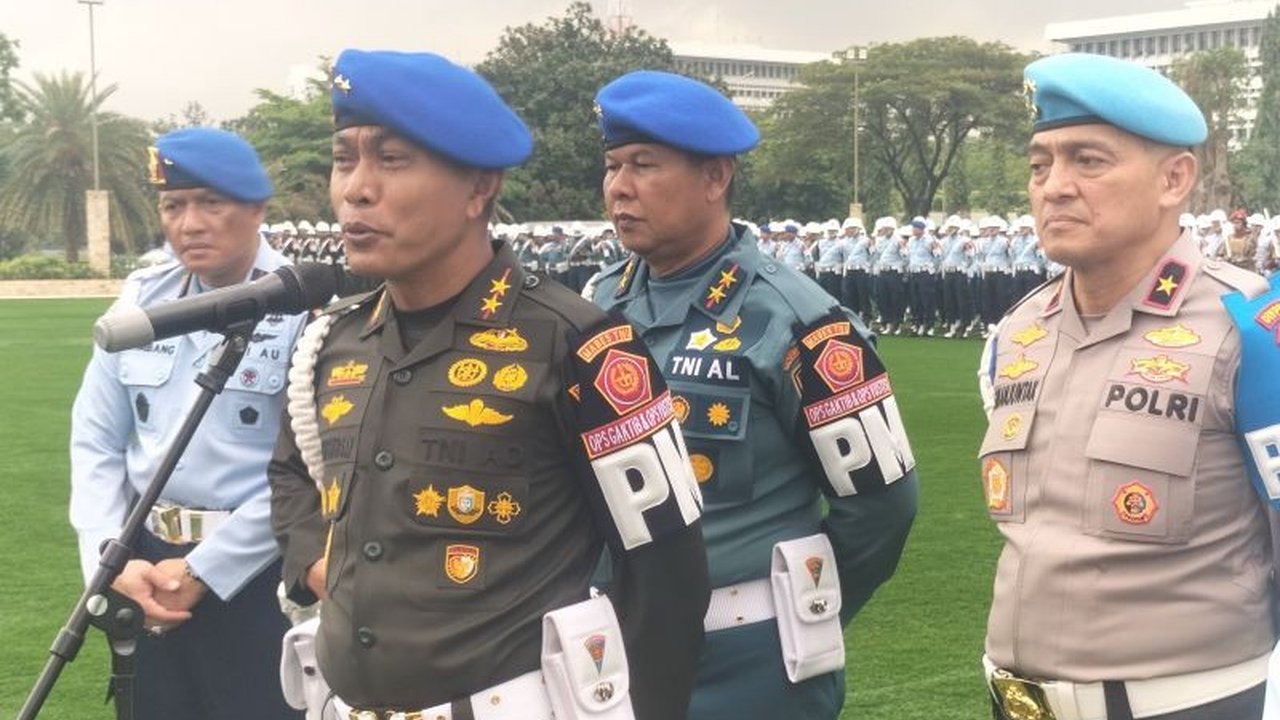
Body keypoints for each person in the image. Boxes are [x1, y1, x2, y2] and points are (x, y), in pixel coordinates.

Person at [268, 49, 709, 720]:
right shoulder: (335, 341)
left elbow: (667, 575)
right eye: (344, 158)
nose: (356, 189)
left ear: (478, 189)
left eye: (391, 161)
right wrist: (315, 562)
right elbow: (293, 471)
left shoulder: (579, 345)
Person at [588, 69, 918, 720]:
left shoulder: (800, 322)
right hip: (611, 657)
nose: (619, 188)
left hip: (744, 666)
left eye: (644, 165)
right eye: (612, 166)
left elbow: (884, 505)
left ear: (716, 178)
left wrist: (796, 610)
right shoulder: (600, 303)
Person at [980, 52, 1280, 720]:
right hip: (1017, 702)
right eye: (1039, 164)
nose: (1054, 186)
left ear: (1174, 178)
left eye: (1088, 160)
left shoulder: (1251, 329)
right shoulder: (1018, 332)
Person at [69, 127, 306, 719]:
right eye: (174, 206)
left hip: (261, 573)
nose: (189, 223)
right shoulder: (139, 308)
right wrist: (109, 556)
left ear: (257, 209)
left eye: (211, 203)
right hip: (143, 565)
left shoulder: (307, 310)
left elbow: (310, 471)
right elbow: (96, 440)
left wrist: (206, 568)